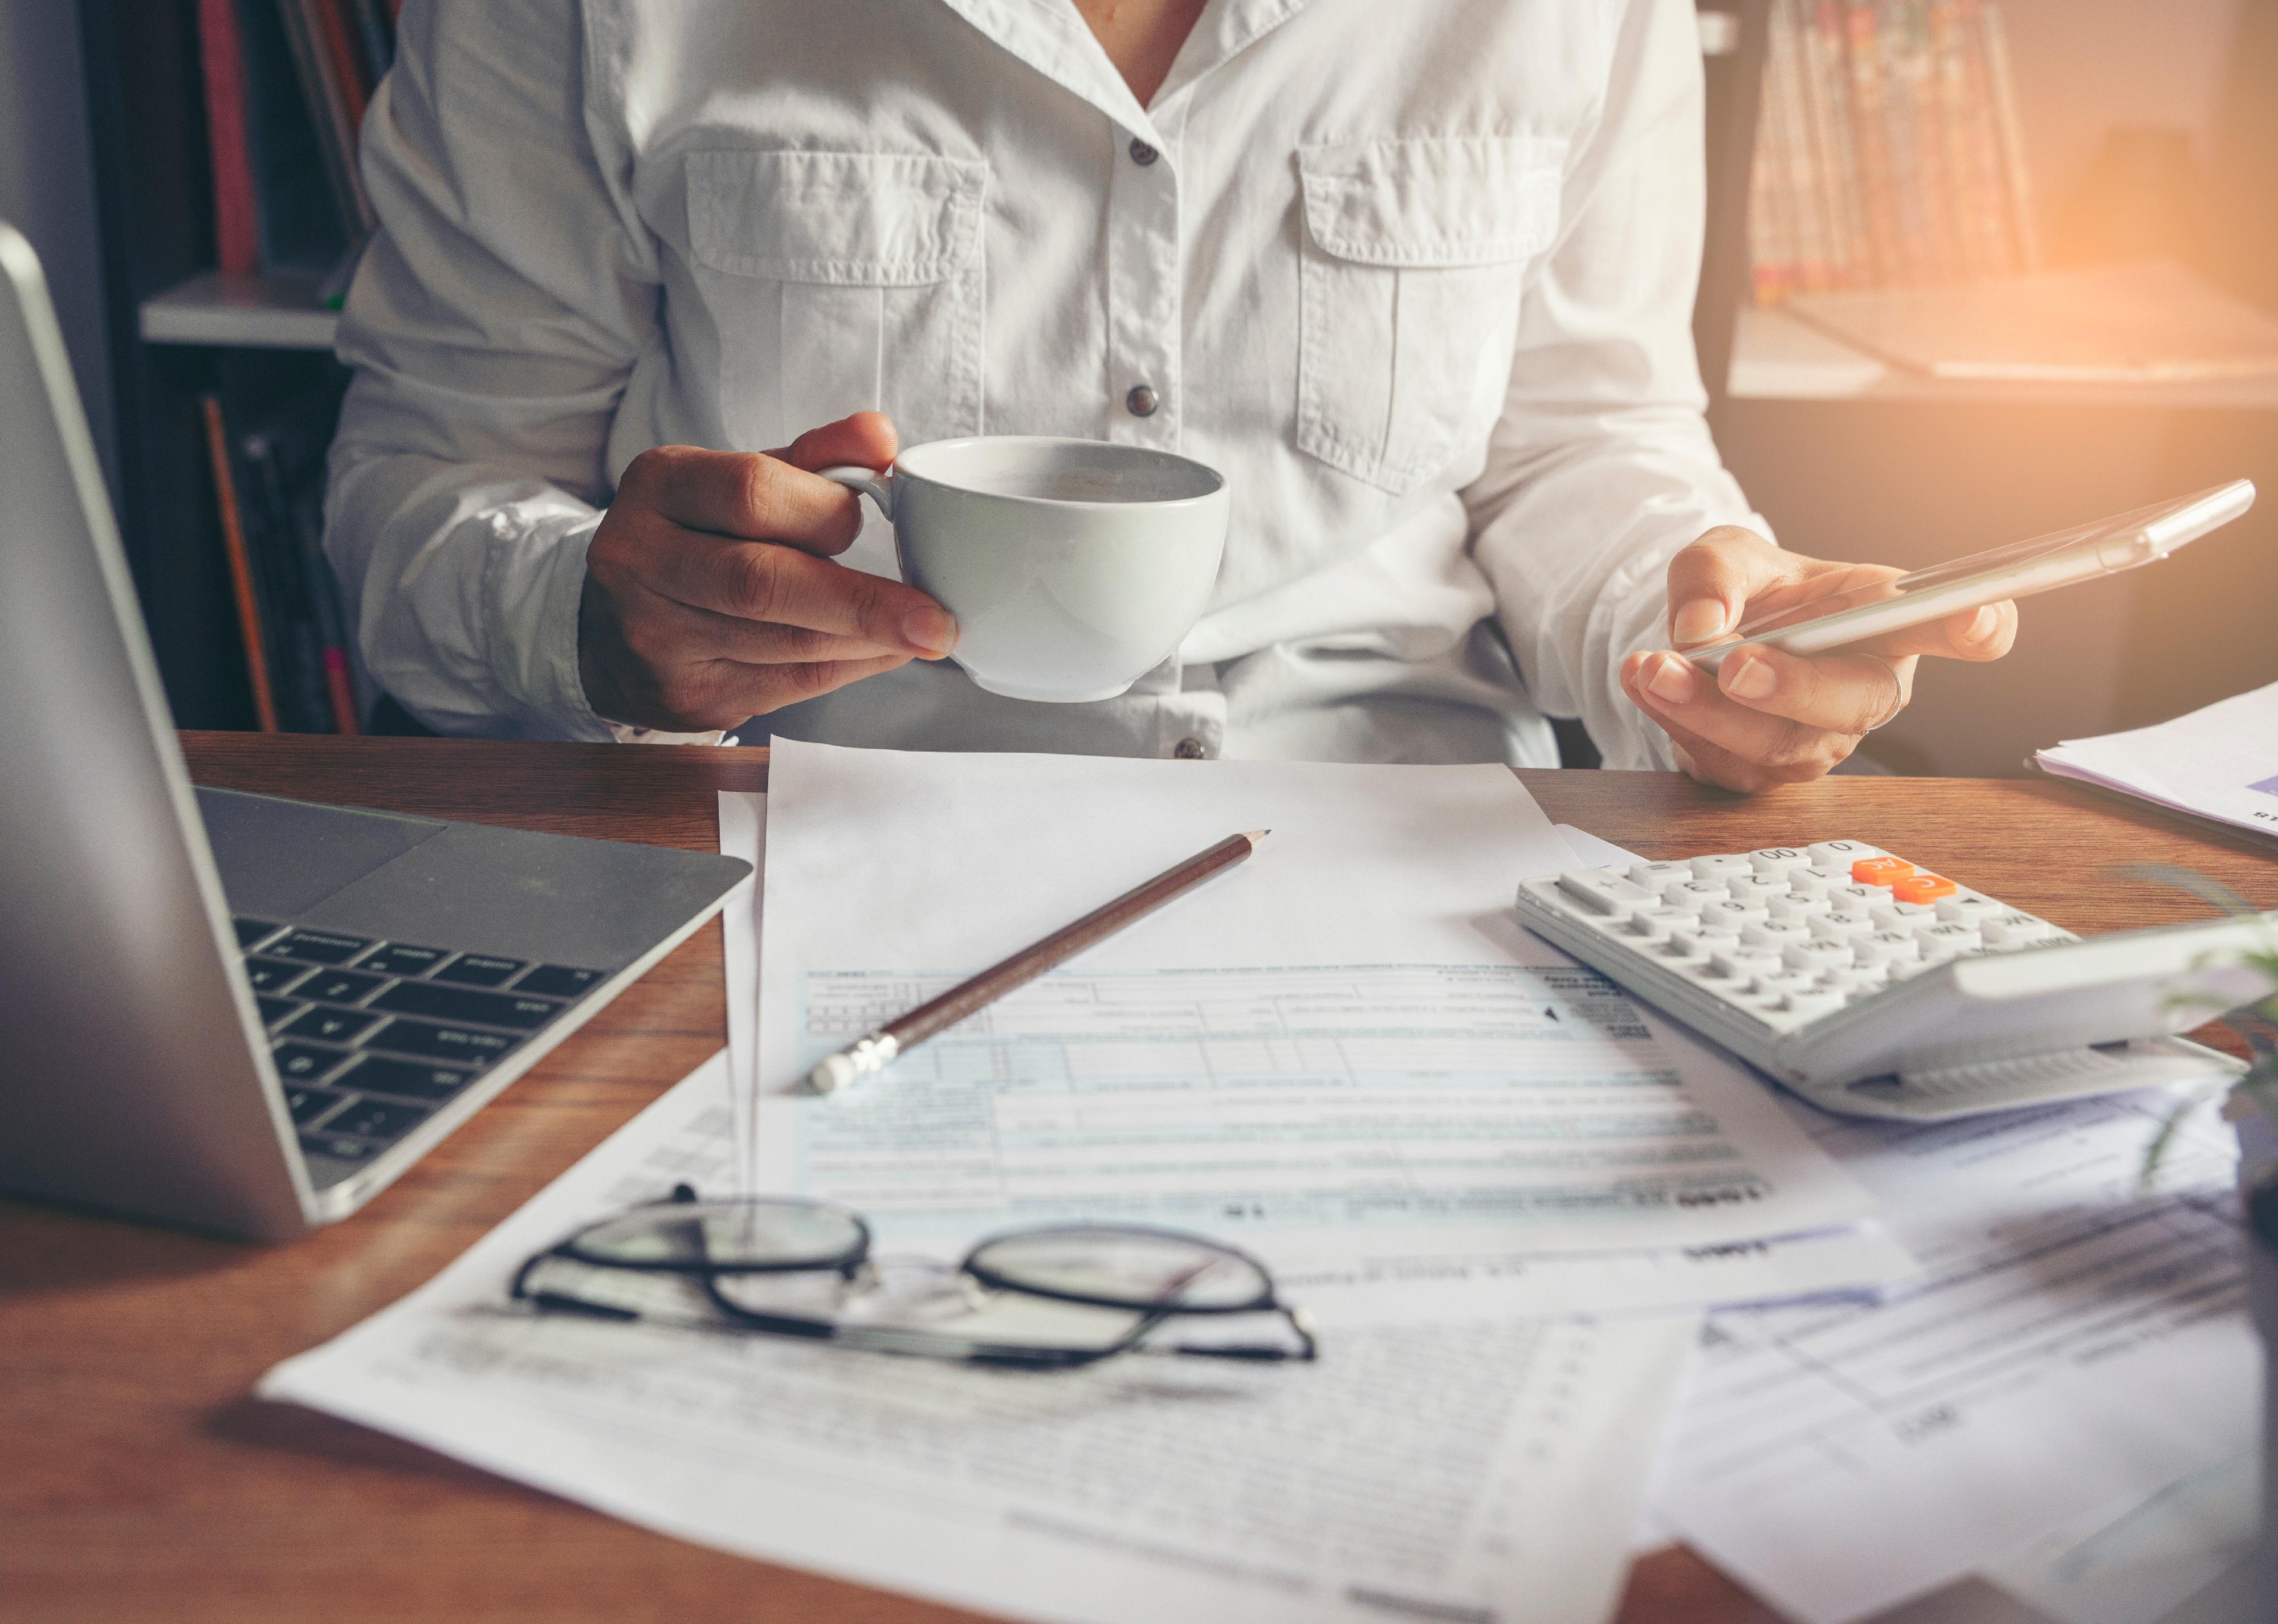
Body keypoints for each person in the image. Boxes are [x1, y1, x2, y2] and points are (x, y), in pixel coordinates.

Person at [327, 0, 2016, 790]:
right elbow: (424, 482)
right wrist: (594, 624)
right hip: (797, 863)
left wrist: (1701, 638)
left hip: (1419, 862)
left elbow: (1583, 431)